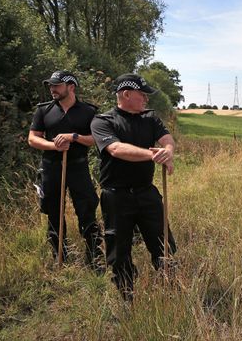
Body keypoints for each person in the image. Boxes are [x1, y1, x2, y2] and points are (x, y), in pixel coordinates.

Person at [90, 73, 176, 301]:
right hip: (116, 197)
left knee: (164, 243)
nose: (146, 100)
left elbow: (167, 138)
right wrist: (154, 155)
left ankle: (173, 291)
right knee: (119, 251)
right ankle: (128, 297)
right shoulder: (103, 121)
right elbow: (116, 150)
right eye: (142, 94)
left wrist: (167, 151)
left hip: (147, 193)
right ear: (126, 94)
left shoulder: (150, 118)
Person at [28, 70, 105, 271]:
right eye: (51, 85)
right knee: (53, 211)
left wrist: (74, 137)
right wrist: (55, 146)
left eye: (57, 85)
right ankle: (59, 256)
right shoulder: (44, 111)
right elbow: (33, 138)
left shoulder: (88, 112)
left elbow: (97, 140)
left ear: (71, 87)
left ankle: (94, 257)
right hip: (51, 167)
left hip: (78, 167)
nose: (52, 89)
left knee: (87, 209)